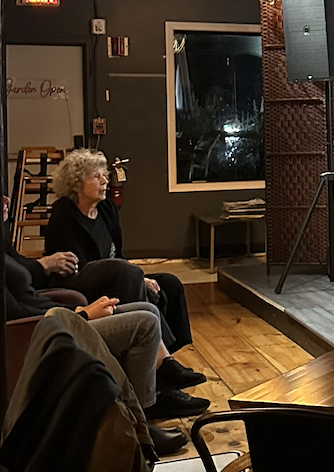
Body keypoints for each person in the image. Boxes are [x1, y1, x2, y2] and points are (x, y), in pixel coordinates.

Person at [3, 211, 204, 454]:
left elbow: (30, 285)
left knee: (147, 309)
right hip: (48, 330)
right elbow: (15, 313)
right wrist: (82, 314)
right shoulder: (65, 218)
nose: (6, 203)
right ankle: (141, 427)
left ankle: (146, 402)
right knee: (145, 324)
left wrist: (73, 305)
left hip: (59, 315)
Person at [43, 149, 198, 369]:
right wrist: (135, 277)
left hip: (117, 275)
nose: (105, 181)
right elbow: (79, 269)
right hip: (80, 283)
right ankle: (163, 366)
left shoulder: (106, 209)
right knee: (131, 277)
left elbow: (119, 256)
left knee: (170, 283)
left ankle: (164, 359)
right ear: (76, 184)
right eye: (96, 176)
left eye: (103, 174)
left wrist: (137, 277)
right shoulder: (63, 216)